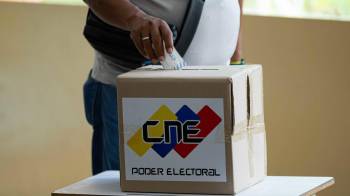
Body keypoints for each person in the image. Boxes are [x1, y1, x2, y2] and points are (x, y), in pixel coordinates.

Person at [82, 0, 244, 175]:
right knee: (133, 182)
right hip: (133, 94)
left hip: (209, 93)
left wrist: (236, 57)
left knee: (194, 182)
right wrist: (135, 18)